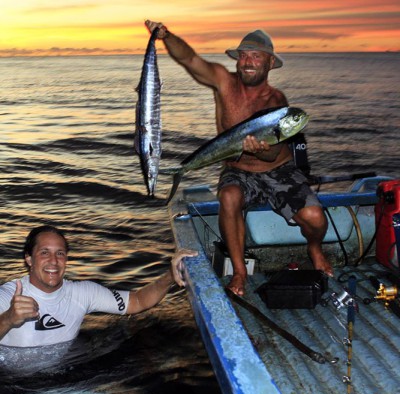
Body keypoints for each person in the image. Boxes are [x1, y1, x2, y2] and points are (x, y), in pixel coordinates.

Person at [145, 20, 333, 296]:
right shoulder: (222, 81)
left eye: (256, 56)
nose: (247, 61)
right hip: (237, 169)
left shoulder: (277, 102)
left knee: (316, 217)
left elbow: (275, 154)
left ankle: (314, 249)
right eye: (243, 55)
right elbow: (190, 59)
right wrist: (165, 36)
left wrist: (262, 149)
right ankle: (240, 272)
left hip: (277, 170)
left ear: (270, 63)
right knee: (229, 196)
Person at [0, 225, 196, 347]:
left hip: (63, 381)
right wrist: (8, 318)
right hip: (13, 385)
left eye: (60, 253)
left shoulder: (83, 293)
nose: (53, 261)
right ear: (29, 259)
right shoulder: (7, 296)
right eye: (44, 252)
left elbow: (137, 301)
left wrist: (171, 275)